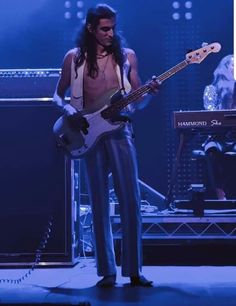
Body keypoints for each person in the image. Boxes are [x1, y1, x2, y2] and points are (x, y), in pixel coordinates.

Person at [53, 4, 159, 287]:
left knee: (131, 200)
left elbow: (139, 100)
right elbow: (56, 94)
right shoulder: (74, 58)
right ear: (90, 28)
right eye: (104, 28)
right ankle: (107, 272)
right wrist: (67, 110)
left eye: (112, 27)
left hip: (120, 130)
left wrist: (149, 91)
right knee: (99, 201)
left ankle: (134, 271)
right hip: (88, 132)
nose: (110, 33)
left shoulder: (126, 57)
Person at [202, 54, 236, 200]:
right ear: (226, 67)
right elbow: (210, 114)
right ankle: (220, 196)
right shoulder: (211, 89)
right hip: (218, 137)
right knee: (211, 151)